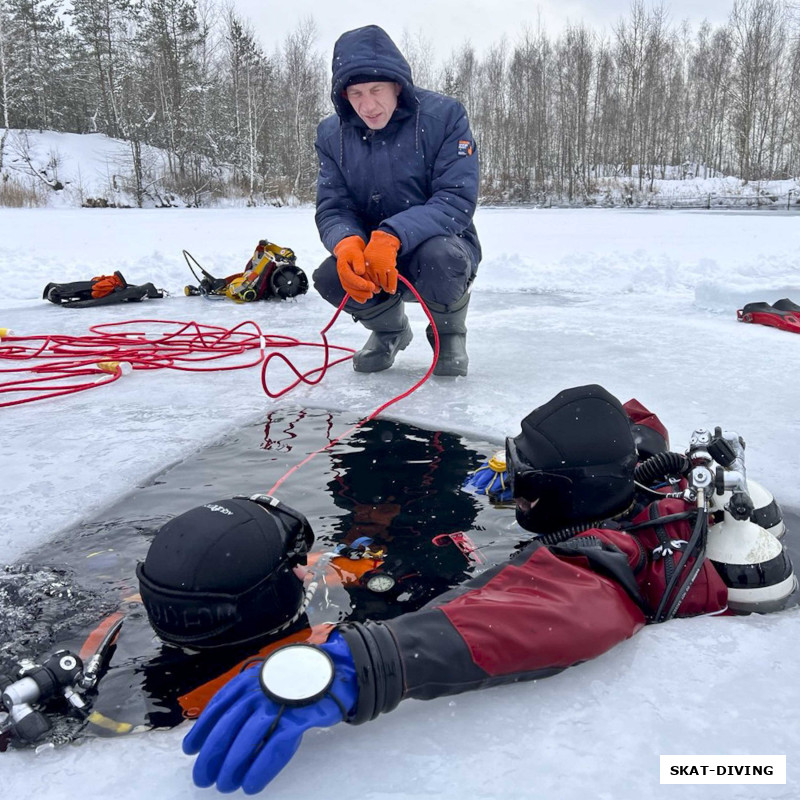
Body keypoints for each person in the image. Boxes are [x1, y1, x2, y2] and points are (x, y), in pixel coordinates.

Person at [179, 384, 795, 794]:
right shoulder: (635, 475)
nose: (511, 488)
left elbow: (547, 612)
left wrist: (365, 662)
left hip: (717, 767)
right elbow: (624, 419)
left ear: (569, 494)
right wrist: (535, 460)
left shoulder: (610, 558)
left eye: (526, 483)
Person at [312, 25, 481, 377]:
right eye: (356, 93)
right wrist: (346, 242)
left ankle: (449, 333)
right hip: (371, 253)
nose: (367, 105)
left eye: (376, 90)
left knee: (440, 258)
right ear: (343, 95)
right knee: (330, 276)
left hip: (439, 244)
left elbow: (455, 198)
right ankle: (389, 330)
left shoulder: (444, 117)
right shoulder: (331, 134)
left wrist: (393, 236)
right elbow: (333, 206)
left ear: (397, 86)